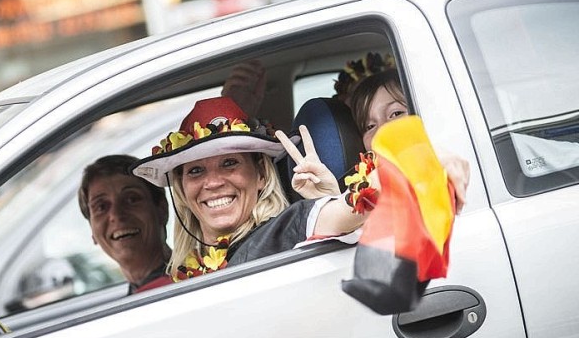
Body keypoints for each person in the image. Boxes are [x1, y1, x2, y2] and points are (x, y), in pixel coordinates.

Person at [132, 96, 364, 279]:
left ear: (261, 174)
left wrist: (333, 200)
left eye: (229, 163)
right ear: (181, 188)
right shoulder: (186, 271)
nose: (213, 182)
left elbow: (361, 205)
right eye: (195, 170)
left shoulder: (283, 231)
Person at [348, 68, 470, 213]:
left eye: (396, 113)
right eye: (370, 126)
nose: (381, 131)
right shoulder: (360, 196)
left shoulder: (456, 165)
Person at [78, 155, 173, 293]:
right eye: (101, 207)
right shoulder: (126, 302)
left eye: (131, 199)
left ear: (162, 209)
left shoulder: (195, 280)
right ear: (92, 230)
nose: (116, 215)